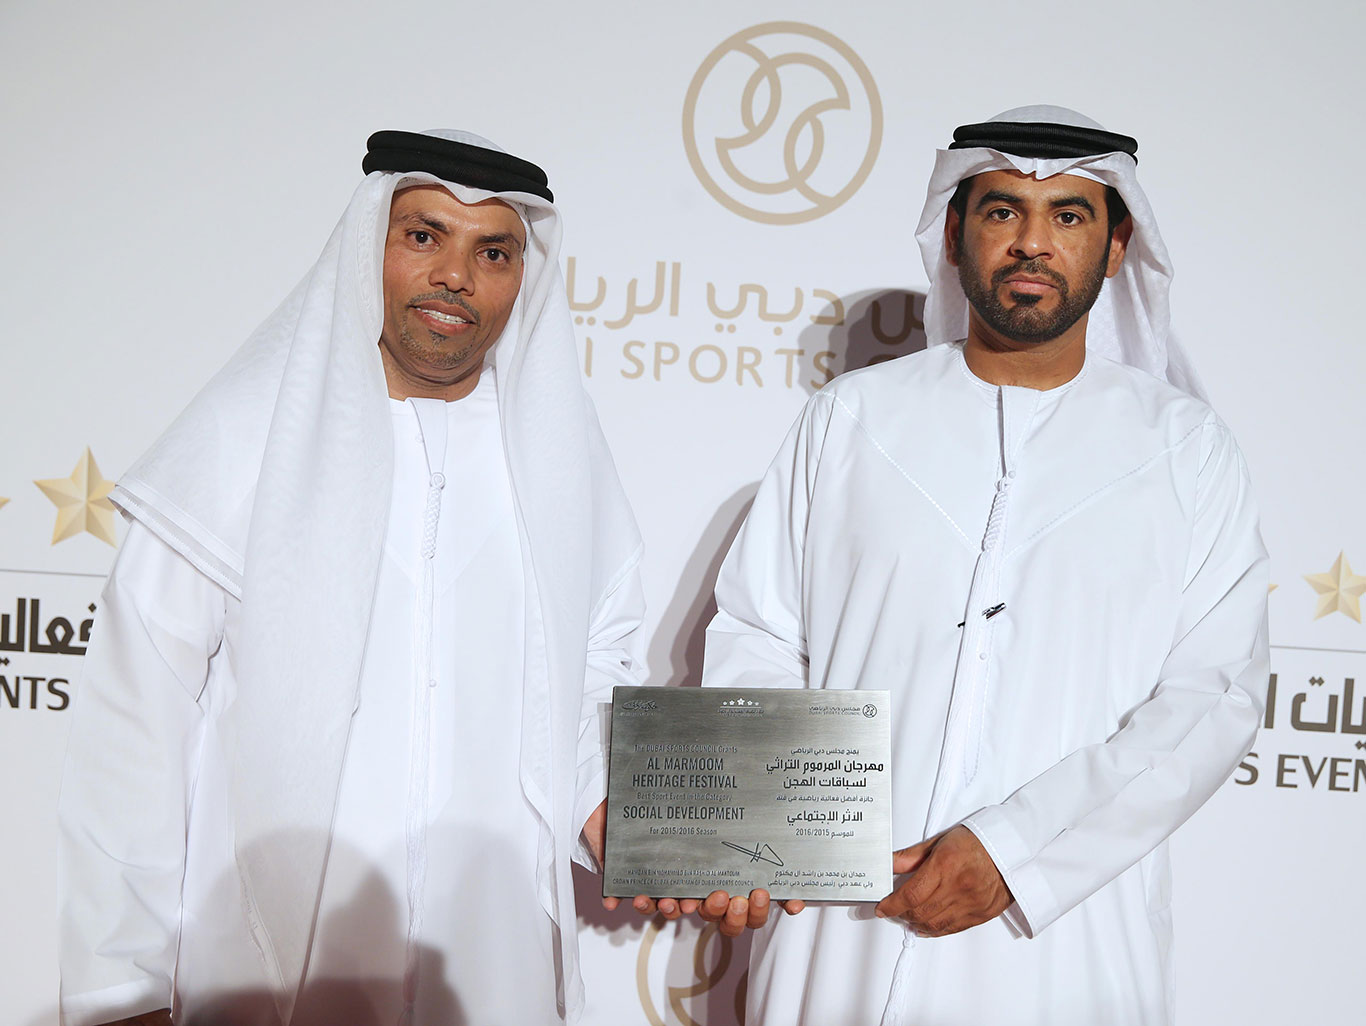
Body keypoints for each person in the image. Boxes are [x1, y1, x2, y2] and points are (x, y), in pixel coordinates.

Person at [691, 106, 1269, 1025]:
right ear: (956, 233)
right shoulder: (853, 419)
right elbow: (761, 636)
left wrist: (1015, 852)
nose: (1033, 242)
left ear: (1117, 246)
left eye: (1070, 216)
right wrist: (750, 834)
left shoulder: (1185, 449)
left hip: (1058, 938)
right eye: (1003, 212)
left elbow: (1212, 696)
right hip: (841, 921)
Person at [57, 130, 645, 1026]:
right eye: (424, 235)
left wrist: (652, 821)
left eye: (493, 252)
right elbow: (133, 730)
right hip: (269, 976)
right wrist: (120, 991)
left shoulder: (561, 459)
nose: (455, 275)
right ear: (369, 244)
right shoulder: (246, 438)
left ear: (523, 277)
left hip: (493, 973)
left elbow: (594, 682)